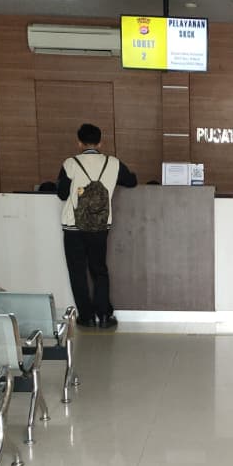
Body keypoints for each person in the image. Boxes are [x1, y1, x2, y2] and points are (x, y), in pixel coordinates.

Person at [54, 123, 137, 328]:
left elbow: (62, 194)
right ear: (100, 143)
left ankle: (86, 317)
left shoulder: (70, 163)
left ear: (79, 143)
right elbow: (131, 181)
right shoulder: (113, 163)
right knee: (99, 270)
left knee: (77, 272)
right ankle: (105, 316)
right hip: (100, 226)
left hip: (73, 227)